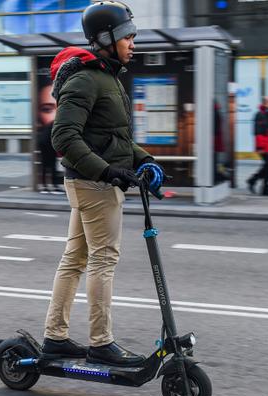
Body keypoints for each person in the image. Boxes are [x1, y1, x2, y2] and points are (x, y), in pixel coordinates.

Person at [41, 0, 164, 367]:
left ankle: (55, 337)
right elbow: (63, 136)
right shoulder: (86, 78)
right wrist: (107, 171)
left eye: (133, 35)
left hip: (91, 182)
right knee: (102, 260)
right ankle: (101, 342)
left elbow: (114, 137)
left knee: (75, 259)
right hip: (94, 185)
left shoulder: (106, 75)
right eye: (127, 36)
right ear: (105, 38)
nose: (133, 42)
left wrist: (145, 160)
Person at [246, 96, 268, 196]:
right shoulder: (259, 115)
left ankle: (256, 183)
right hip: (265, 146)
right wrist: (260, 147)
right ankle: (259, 184)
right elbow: (258, 132)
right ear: (265, 103)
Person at [37, 82, 63, 194]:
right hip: (47, 146)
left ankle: (48, 186)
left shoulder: (53, 123)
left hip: (48, 146)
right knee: (49, 166)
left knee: (48, 167)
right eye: (47, 109)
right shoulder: (55, 123)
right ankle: (49, 186)